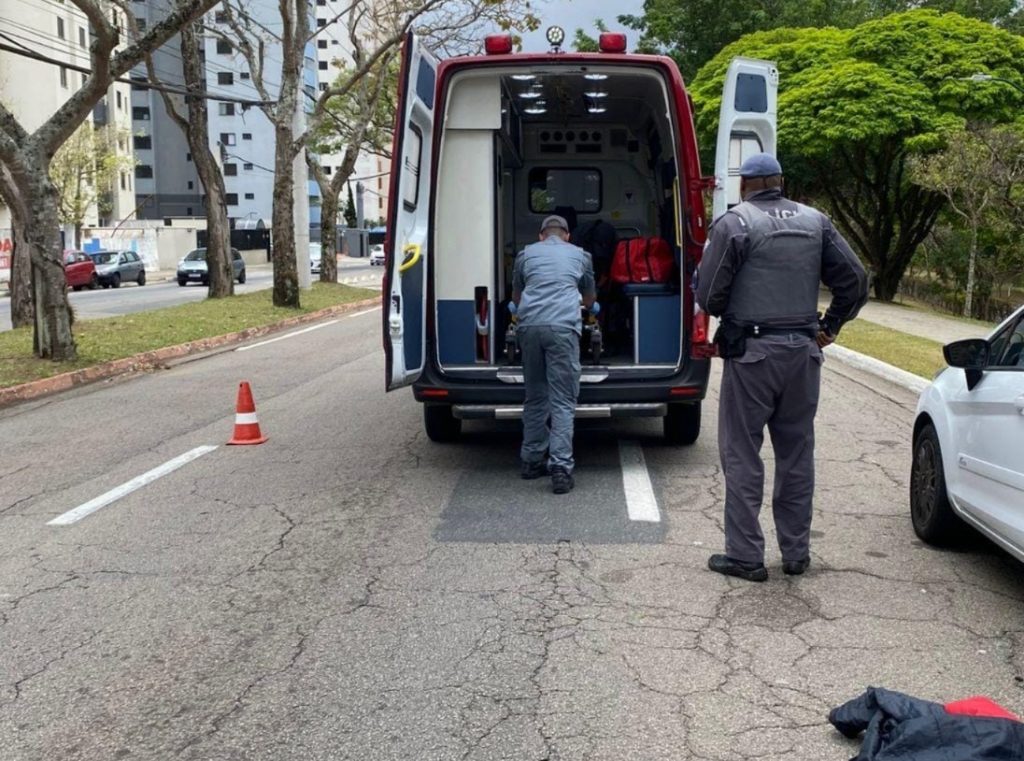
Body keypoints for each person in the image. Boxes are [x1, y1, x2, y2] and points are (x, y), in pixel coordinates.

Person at [696, 153, 869, 581]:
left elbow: (710, 295)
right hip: (803, 353)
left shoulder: (736, 224)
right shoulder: (817, 221)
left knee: (741, 452)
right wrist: (830, 325)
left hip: (753, 355)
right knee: (796, 453)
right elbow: (856, 279)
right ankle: (796, 553)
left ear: (744, 187)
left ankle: (745, 555)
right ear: (781, 182)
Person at [511, 215, 597, 494]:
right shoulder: (581, 256)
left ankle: (531, 461)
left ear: (541, 236)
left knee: (535, 395)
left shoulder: (525, 255)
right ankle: (560, 467)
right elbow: (589, 299)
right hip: (562, 329)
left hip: (529, 327)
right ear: (568, 236)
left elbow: (516, 298)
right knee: (562, 400)